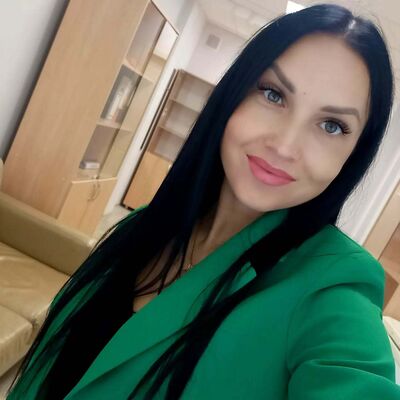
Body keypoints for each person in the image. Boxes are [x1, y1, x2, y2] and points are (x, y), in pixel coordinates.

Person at [6, 3, 400, 399]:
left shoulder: (333, 287)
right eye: (273, 94)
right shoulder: (142, 226)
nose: (284, 145)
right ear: (234, 95)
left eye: (332, 125)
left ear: (353, 155)